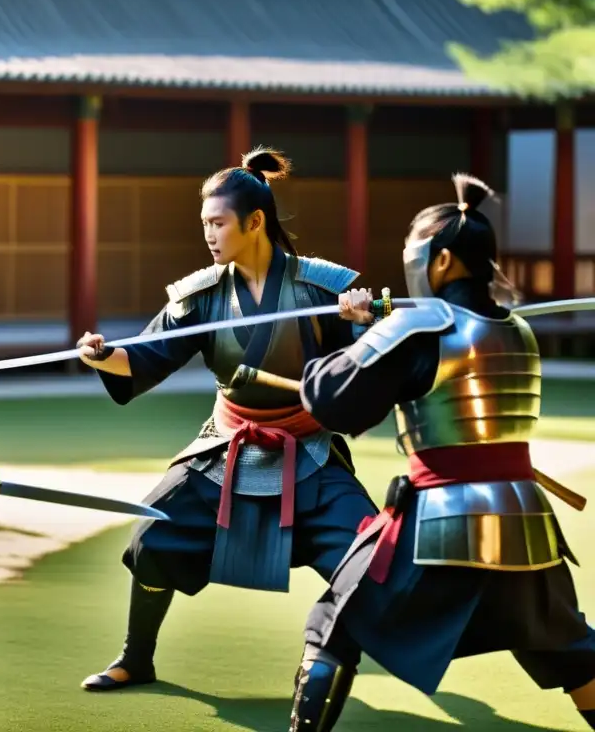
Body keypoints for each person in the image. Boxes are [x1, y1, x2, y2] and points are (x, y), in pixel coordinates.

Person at [287, 173, 595, 731]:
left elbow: (334, 402)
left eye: (414, 252)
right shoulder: (516, 330)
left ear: (444, 260)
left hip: (442, 522)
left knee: (332, 625)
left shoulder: (419, 325)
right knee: (571, 652)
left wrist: (347, 333)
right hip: (523, 522)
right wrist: (378, 328)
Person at [75, 147, 379, 691]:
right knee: (151, 537)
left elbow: (364, 370)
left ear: (254, 221)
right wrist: (103, 354)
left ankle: (330, 659)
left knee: (368, 551)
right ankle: (135, 657)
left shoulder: (321, 289)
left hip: (306, 448)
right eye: (205, 224)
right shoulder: (201, 295)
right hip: (227, 444)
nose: (209, 236)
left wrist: (359, 324)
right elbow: (146, 356)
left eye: (218, 223)